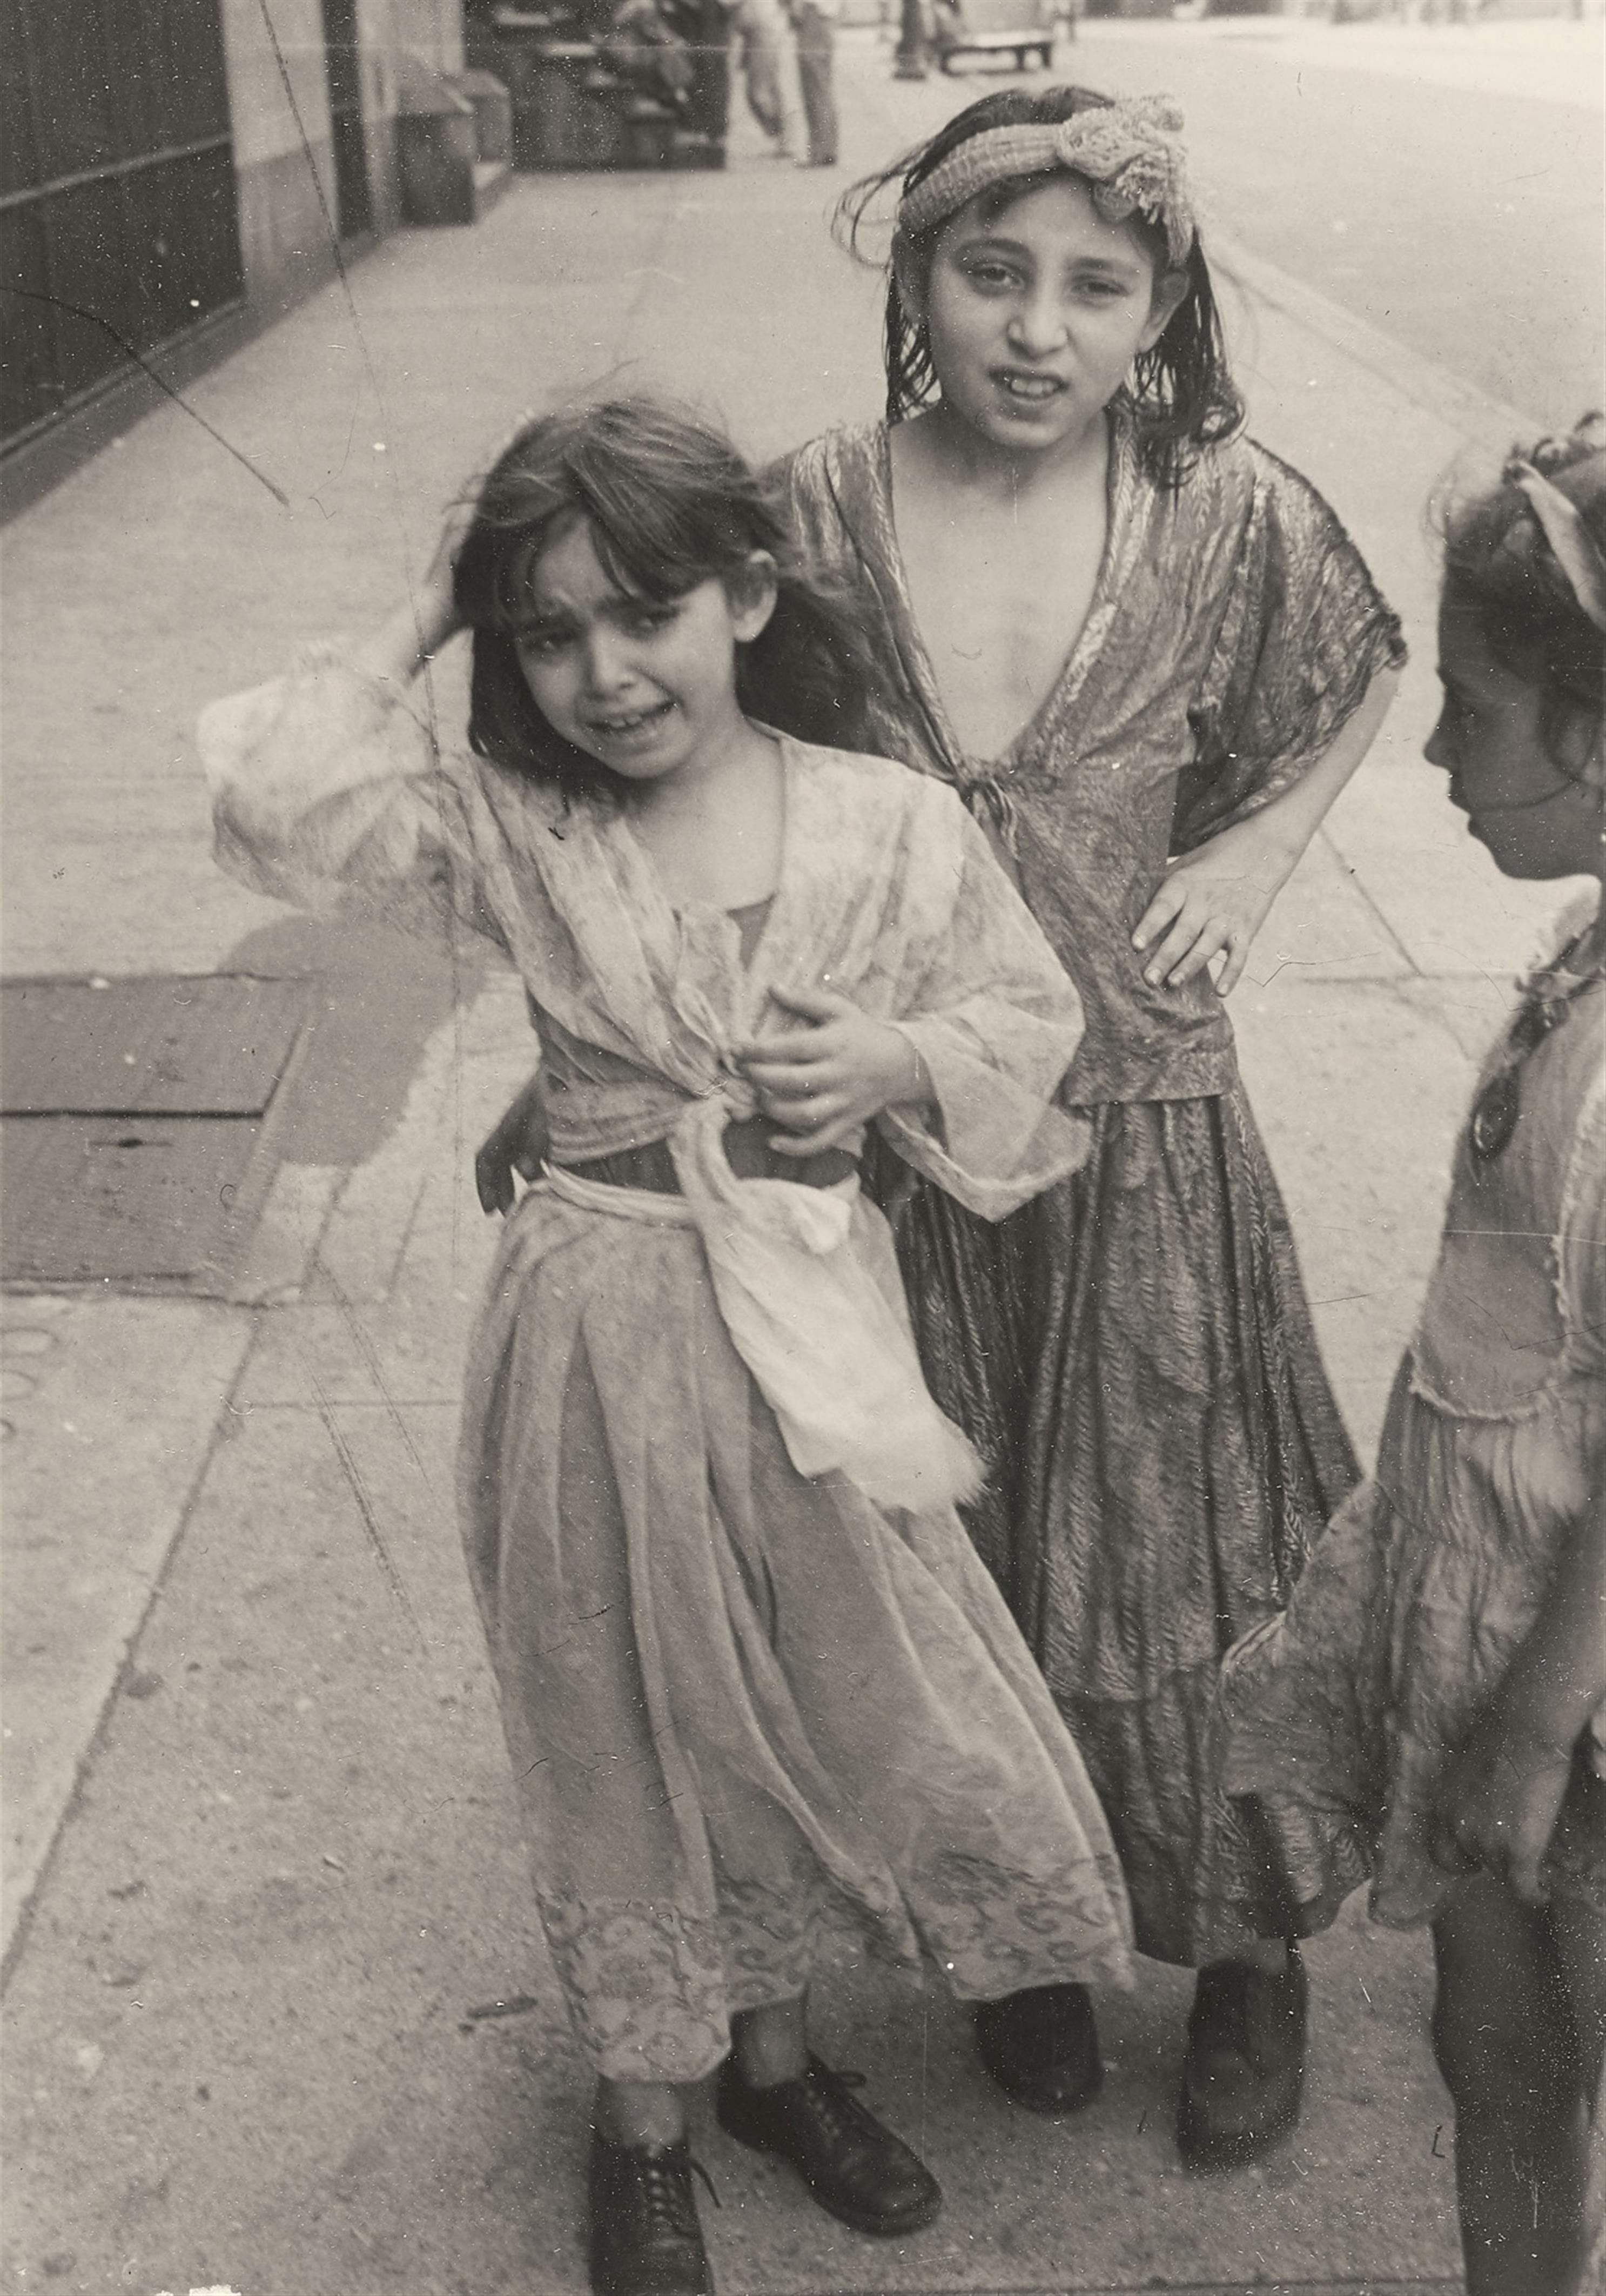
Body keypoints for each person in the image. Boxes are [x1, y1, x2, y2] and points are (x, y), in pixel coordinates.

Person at [198, 397, 1137, 2296]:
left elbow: (1022, 1021)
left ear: (748, 593)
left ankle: (777, 2067)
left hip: (801, 1343)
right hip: (597, 1334)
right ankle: (643, 2118)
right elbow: (278, 805)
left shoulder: (887, 821)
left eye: (641, 614)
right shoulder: (518, 825)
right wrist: (419, 615)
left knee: (781, 1706)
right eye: (544, 633)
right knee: (612, 1706)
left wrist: (893, 1063)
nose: (602, 673)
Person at [778, 86, 1405, 2165]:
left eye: (1094, 288)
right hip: (921, 1134)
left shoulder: (1222, 514)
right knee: (957, 1551)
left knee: (1189, 1550)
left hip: (1143, 1110)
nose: (1036, 330)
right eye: (991, 273)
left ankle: (1242, 1953)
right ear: (916, 283)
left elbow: (1356, 677)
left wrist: (1251, 855)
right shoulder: (817, 511)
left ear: (1157, 318)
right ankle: (1025, 1930)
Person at [1220, 421, 1606, 2295]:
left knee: (1541, 2044)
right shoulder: (1591, 960)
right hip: (1500, 1618)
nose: (1442, 753)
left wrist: (1532, 1726)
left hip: (1572, 1688)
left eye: (1472, 710)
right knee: (1490, 2040)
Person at [785, 0, 838, 165]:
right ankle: (826, 148)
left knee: (814, 86)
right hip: (820, 15)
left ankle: (820, 151)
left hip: (813, 13)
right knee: (820, 86)